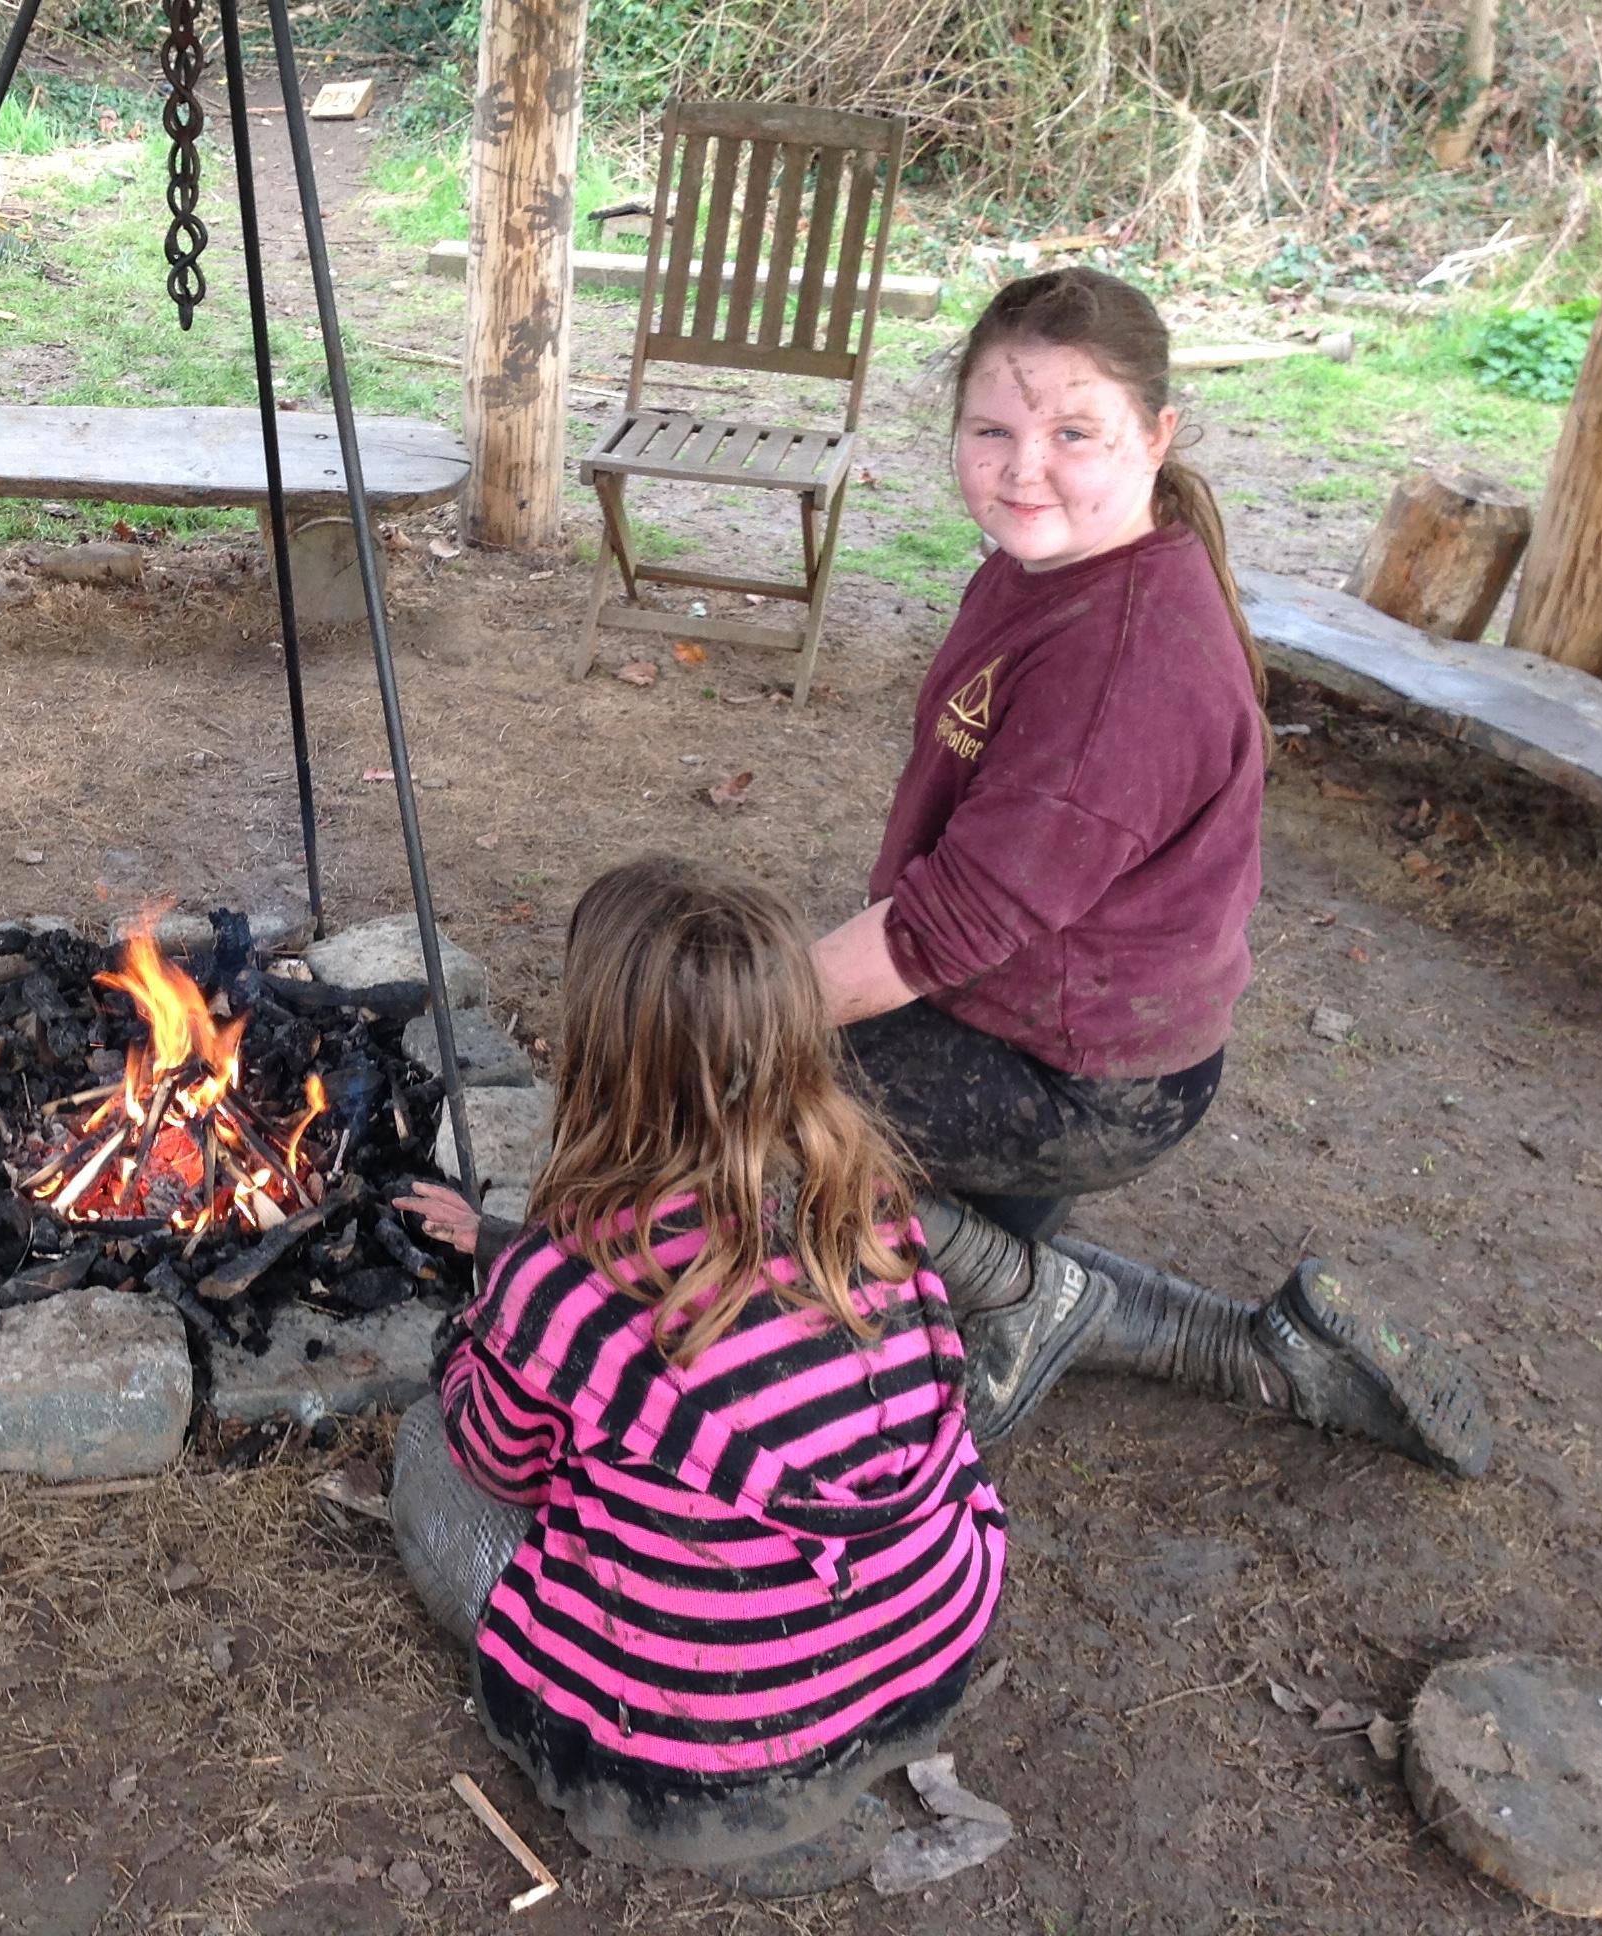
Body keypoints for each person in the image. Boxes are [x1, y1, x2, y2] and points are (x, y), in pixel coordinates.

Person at [798, 266, 1486, 1475]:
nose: (1024, 470)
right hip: (1046, 1015)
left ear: (1157, 437)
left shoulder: (1126, 664)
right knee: (777, 1085)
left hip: (1083, 1080)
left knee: (735, 1098)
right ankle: (1111, 1304)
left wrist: (740, 1016)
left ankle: (1024, 1293)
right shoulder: (1055, 563)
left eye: (1075, 433)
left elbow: (941, 930)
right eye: (991, 432)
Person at [391, 857, 1005, 1897]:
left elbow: (497, 1464)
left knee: (425, 1448)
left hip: (678, 1765)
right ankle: (837, 1740)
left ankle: (738, 1798)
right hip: (928, 1642)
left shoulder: (566, 1280)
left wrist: (471, 1342)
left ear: (602, 1056)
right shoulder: (867, 1204)